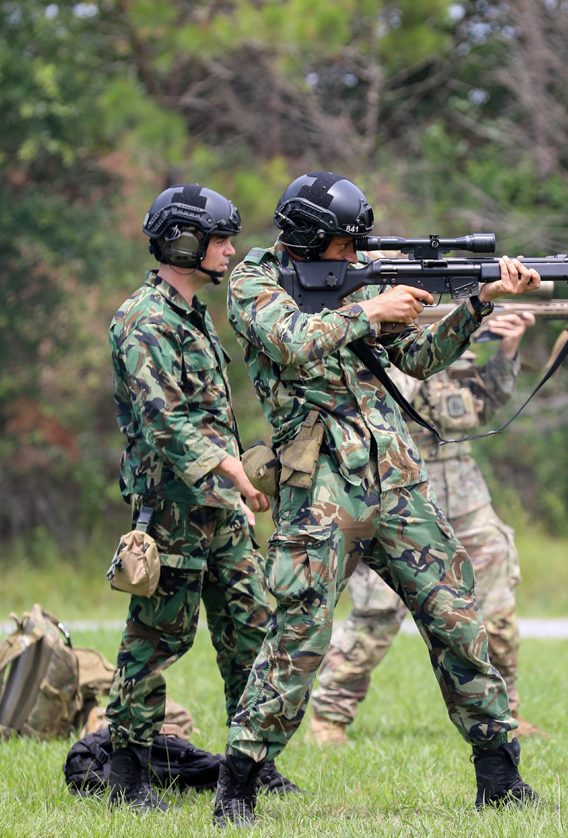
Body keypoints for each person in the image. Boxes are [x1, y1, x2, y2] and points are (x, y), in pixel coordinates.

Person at [216, 171, 545, 827]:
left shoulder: (357, 277)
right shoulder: (254, 282)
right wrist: (371, 308)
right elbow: (287, 339)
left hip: (394, 473)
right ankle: (239, 782)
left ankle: (500, 774)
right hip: (321, 486)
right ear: (310, 239)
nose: (353, 255)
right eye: (343, 244)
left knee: (456, 612)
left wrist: (477, 303)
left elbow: (419, 358)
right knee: (299, 632)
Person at [105, 183, 297, 811]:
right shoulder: (143, 319)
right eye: (219, 239)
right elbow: (167, 423)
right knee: (156, 640)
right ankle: (127, 773)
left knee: (251, 630)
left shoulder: (191, 318)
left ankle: (251, 765)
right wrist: (236, 477)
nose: (230, 249)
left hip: (221, 510)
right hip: (173, 513)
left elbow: (210, 421)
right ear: (183, 242)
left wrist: (236, 490)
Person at [309, 311, 548, 744]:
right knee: (377, 614)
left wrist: (506, 350)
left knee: (496, 611)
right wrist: (419, 338)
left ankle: (506, 711)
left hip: (464, 492)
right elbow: (387, 395)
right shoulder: (374, 334)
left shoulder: (456, 341)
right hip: (400, 486)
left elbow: (481, 405)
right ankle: (330, 716)